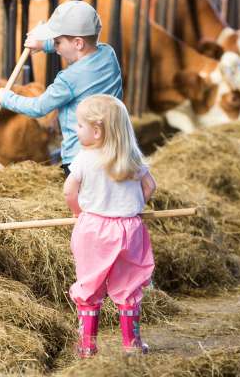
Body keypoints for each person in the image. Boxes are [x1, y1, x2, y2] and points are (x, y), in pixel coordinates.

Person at [63, 94, 156, 358]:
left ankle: (87, 345)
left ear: (96, 130)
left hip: (93, 229)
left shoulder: (84, 157)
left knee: (89, 284)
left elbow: (69, 190)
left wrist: (78, 213)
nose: (76, 130)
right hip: (129, 229)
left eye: (79, 126)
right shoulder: (133, 156)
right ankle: (132, 345)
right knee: (129, 285)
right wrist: (132, 206)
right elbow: (150, 186)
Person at [0, 0, 122, 176]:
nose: (56, 48)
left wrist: (6, 98)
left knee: (81, 201)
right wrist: (44, 45)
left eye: (57, 42)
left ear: (78, 43)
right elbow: (74, 45)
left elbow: (38, 108)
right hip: (113, 150)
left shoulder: (68, 80)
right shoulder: (108, 54)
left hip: (79, 157)